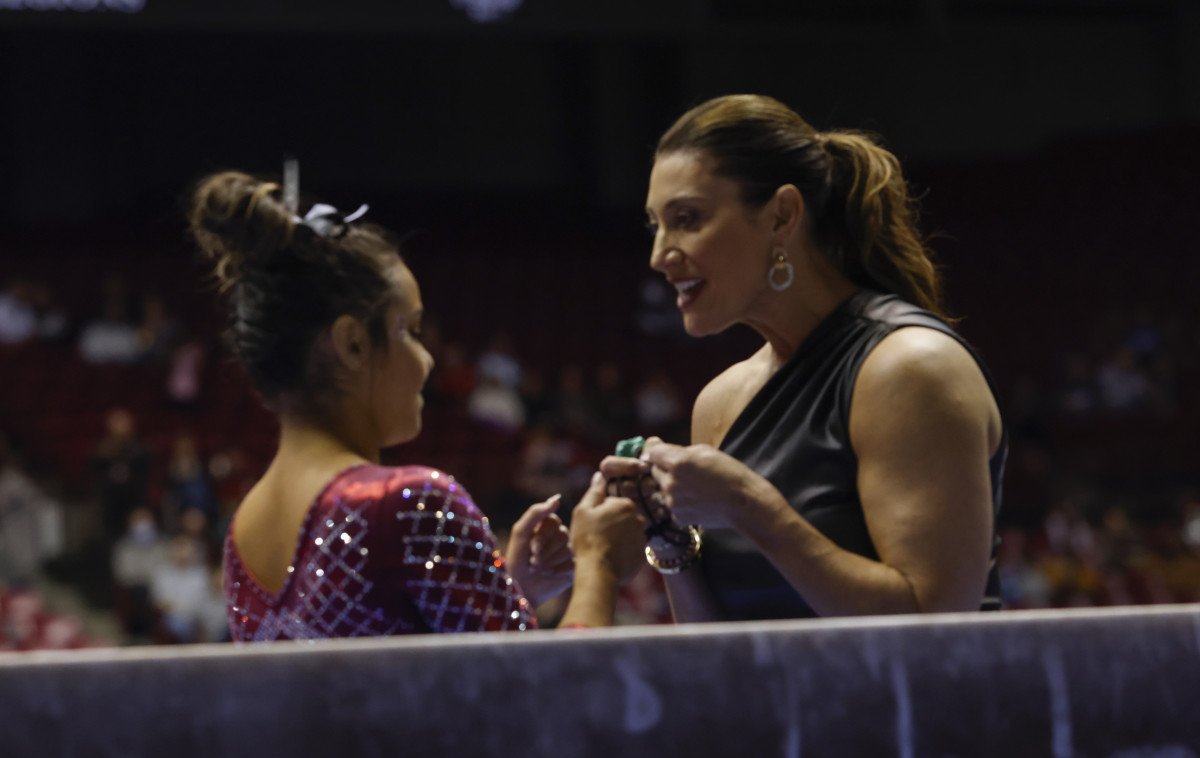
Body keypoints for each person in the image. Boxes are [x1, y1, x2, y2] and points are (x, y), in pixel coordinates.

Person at [187, 171, 645, 641]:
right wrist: (599, 565)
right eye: (411, 331)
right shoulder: (407, 504)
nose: (426, 361)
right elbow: (547, 696)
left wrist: (507, 592)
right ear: (353, 344)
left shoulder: (242, 532)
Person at [602, 94, 1007, 622]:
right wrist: (669, 539)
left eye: (687, 219)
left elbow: (932, 626)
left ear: (781, 216)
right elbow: (714, 644)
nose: (660, 255)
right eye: (656, 224)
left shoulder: (908, 368)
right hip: (775, 707)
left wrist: (751, 507)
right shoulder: (719, 403)